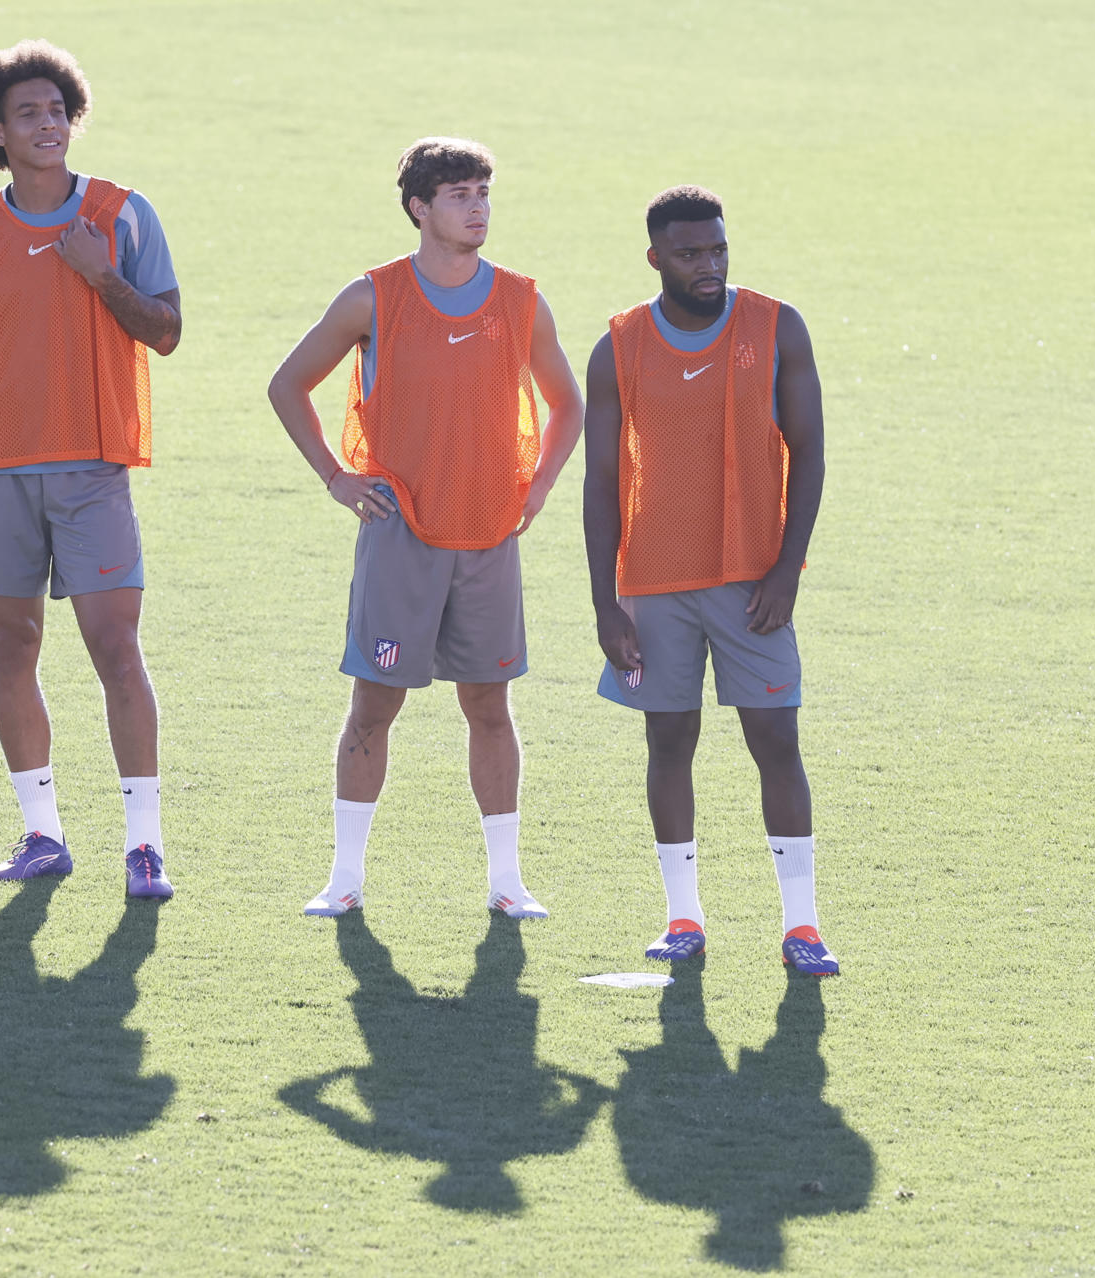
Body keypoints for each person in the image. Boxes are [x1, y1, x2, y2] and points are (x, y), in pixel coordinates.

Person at [267, 138, 584, 919]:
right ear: (419, 207)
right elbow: (287, 385)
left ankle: (507, 883)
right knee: (373, 707)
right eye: (459, 195)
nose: (477, 208)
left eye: (483, 193)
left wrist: (537, 487)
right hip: (400, 536)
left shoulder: (519, 300)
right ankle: (344, 879)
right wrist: (336, 479)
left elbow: (569, 405)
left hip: (486, 538)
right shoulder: (373, 298)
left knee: (490, 707)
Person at [0, 40, 183, 898]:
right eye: (28, 113)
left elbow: (166, 331)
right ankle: (42, 834)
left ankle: (143, 845)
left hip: (93, 468)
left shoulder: (122, 213)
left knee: (116, 649)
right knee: (14, 645)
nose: (48, 124)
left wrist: (99, 273)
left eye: (58, 110)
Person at [582, 185, 834, 974]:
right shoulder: (618, 346)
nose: (709, 265)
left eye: (718, 249)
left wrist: (788, 570)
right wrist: (606, 605)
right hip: (654, 584)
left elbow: (811, 453)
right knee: (669, 741)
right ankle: (682, 918)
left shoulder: (775, 325)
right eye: (690, 253)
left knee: (776, 741)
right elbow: (598, 483)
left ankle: (803, 926)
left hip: (753, 582)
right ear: (655, 256)